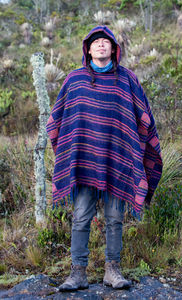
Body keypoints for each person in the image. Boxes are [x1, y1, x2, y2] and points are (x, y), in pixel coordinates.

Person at [46, 25, 162, 291]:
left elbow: (143, 117)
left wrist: (137, 147)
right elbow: (57, 120)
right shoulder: (74, 80)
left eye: (105, 42)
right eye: (95, 42)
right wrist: (68, 152)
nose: (100, 45)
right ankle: (78, 274)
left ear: (113, 49)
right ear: (87, 49)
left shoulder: (127, 79)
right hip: (83, 162)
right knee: (80, 217)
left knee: (114, 219)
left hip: (118, 161)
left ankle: (113, 271)